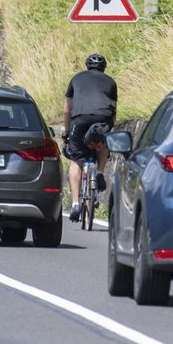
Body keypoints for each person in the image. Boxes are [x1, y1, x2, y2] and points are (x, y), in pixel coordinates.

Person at [62, 53, 117, 222]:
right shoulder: (111, 82)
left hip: (80, 118)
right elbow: (114, 109)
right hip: (103, 118)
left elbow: (67, 108)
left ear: (87, 66)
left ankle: (76, 204)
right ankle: (100, 172)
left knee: (76, 160)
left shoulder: (76, 78)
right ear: (104, 67)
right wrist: (110, 127)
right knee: (103, 144)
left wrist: (66, 130)